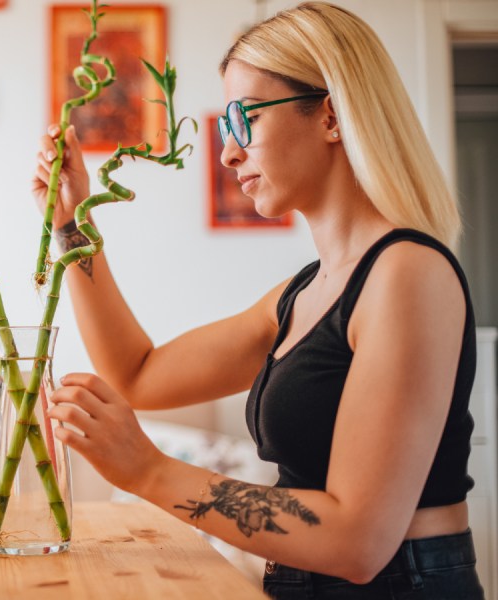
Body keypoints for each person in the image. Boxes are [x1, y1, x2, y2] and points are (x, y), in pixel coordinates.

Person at [34, 3, 485, 598]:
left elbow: (357, 541)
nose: (228, 153)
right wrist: (72, 227)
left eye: (244, 120)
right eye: (226, 128)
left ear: (330, 115)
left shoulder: (407, 273)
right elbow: (138, 375)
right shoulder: (304, 292)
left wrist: (148, 470)